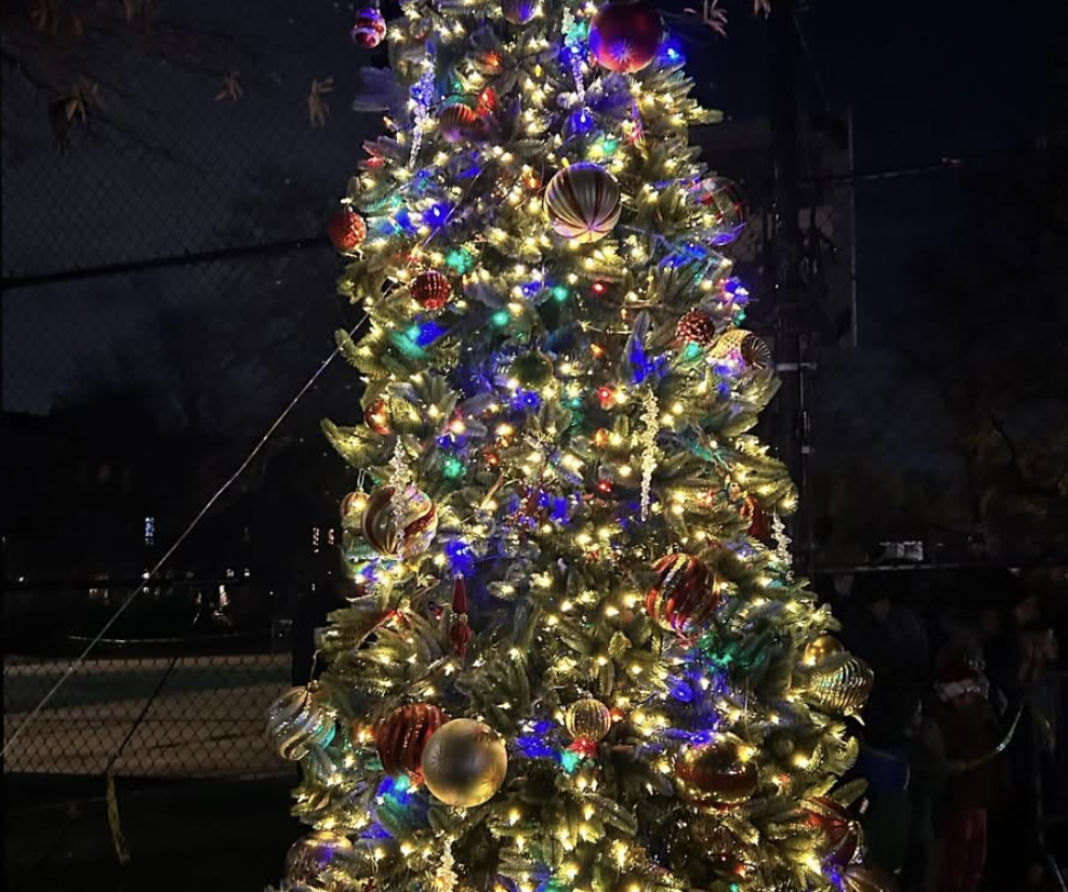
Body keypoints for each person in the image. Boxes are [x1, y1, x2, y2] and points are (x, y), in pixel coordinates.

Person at [933, 653, 999, 892]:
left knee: (975, 857)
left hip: (979, 797)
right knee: (957, 856)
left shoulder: (983, 717)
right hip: (961, 800)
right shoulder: (948, 722)